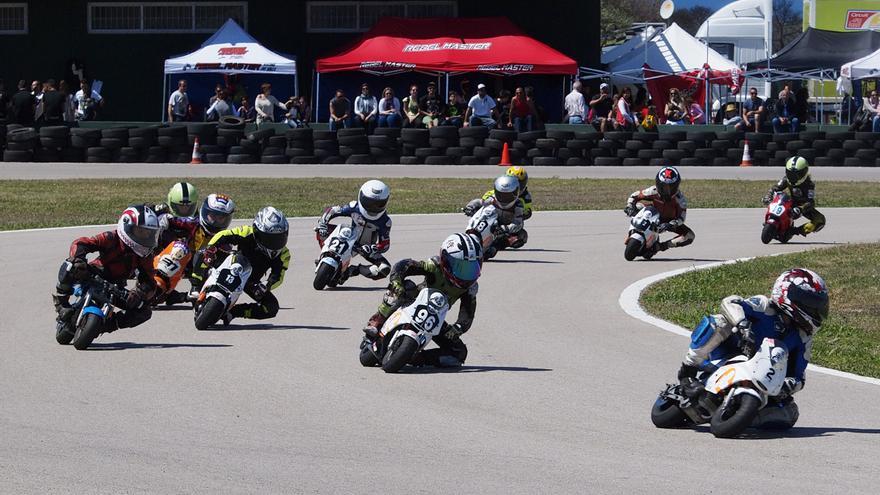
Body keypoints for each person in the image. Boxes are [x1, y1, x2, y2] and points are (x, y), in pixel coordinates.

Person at [676, 268, 829, 429]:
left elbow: (799, 375)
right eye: (809, 302)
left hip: (763, 378)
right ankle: (687, 371)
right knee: (719, 322)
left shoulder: (803, 336)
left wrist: (790, 384)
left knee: (789, 414)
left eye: (817, 305)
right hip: (728, 353)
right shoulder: (764, 306)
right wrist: (742, 324)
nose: (814, 309)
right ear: (786, 292)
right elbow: (730, 302)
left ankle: (744, 415)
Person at [362, 233, 482, 368]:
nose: (466, 275)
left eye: (472, 269)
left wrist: (458, 328)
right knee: (405, 286)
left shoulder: (470, 288)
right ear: (445, 261)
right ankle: (377, 321)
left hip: (435, 319)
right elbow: (404, 265)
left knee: (459, 352)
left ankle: (417, 358)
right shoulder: (434, 266)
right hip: (412, 300)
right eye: (461, 268)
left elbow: (467, 314)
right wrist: (396, 280)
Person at [53, 205, 160, 337]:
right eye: (141, 232)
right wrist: (79, 259)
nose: (145, 237)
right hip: (93, 274)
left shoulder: (145, 255)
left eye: (149, 234)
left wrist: (139, 293)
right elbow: (81, 243)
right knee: (71, 265)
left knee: (144, 311)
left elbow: (149, 281)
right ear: (126, 226)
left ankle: (107, 324)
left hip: (116, 287)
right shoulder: (111, 237)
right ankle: (61, 304)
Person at [200, 206, 290, 324]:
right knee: (200, 254)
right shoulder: (247, 232)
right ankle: (197, 285)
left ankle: (233, 312)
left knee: (271, 307)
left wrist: (266, 286)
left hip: (250, 281)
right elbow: (223, 235)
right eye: (269, 238)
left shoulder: (284, 253)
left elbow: (278, 276)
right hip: (232, 263)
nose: (274, 243)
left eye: (279, 238)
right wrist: (211, 248)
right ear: (257, 231)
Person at [154, 193, 236, 306]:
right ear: (204, 212)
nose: (215, 222)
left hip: (202, 271)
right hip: (181, 261)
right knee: (179, 247)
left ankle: (187, 296)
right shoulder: (191, 222)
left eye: (221, 218)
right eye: (213, 216)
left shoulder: (225, 240)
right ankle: (157, 281)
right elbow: (165, 219)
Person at [315, 180, 392, 282]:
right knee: (320, 230)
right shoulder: (354, 207)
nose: (373, 207)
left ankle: (352, 271)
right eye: (369, 203)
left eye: (378, 204)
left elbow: (385, 244)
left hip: (365, 248)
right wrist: (323, 223)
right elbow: (333, 210)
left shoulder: (385, 221)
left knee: (384, 269)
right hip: (348, 237)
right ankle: (327, 254)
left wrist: (372, 248)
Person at [624, 166, 694, 252]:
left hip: (668, 222)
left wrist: (671, 224)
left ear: (676, 186)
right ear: (658, 183)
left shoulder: (680, 199)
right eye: (663, 187)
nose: (667, 191)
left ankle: (660, 246)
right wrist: (629, 206)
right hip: (652, 215)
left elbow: (682, 218)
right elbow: (634, 195)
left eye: (670, 187)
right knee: (639, 206)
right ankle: (633, 232)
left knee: (690, 236)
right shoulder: (653, 190)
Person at [463, 175, 525, 259]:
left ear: (516, 193)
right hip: (489, 221)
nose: (504, 199)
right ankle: (471, 234)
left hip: (503, 228)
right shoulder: (492, 199)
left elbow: (518, 223)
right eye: (501, 195)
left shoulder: (518, 205)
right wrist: (470, 207)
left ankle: (494, 247)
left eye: (508, 196)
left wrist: (504, 228)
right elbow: (479, 202)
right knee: (489, 209)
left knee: (522, 236)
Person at [763, 156, 825, 236]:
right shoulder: (786, 179)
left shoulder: (809, 185)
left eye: (797, 174)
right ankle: (771, 219)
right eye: (790, 174)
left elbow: (810, 202)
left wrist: (800, 209)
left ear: (804, 172)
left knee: (820, 220)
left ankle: (795, 231)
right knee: (779, 198)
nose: (793, 177)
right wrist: (769, 196)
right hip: (789, 203)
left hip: (801, 207)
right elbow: (775, 188)